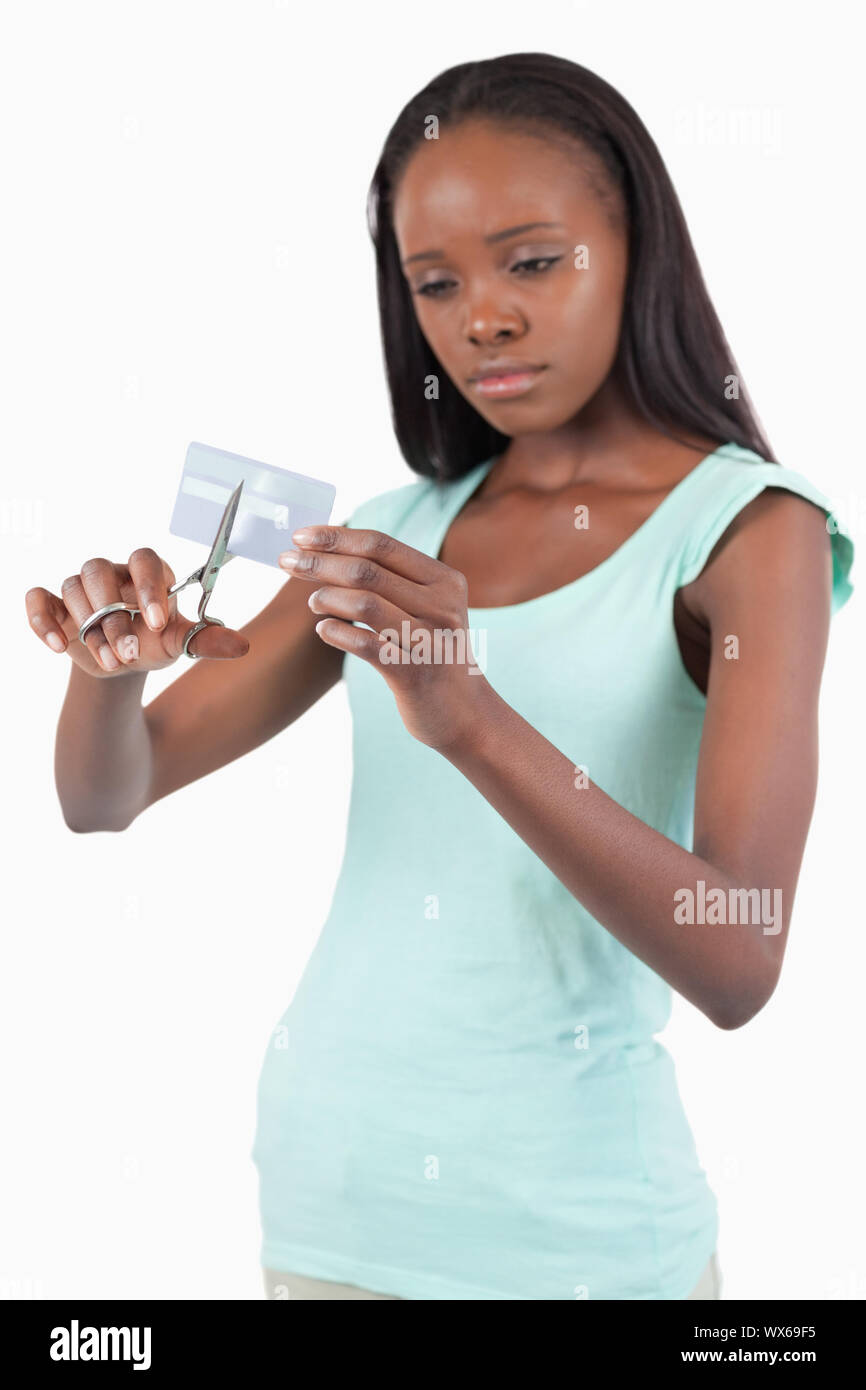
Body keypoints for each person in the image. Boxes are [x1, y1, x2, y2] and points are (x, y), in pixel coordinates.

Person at [27, 53, 854, 1300]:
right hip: (325, 1210)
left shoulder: (749, 533)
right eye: (433, 280)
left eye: (531, 260)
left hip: (573, 1247)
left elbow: (739, 960)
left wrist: (468, 718)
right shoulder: (387, 533)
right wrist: (106, 673)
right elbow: (108, 795)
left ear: (639, 249)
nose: (482, 318)